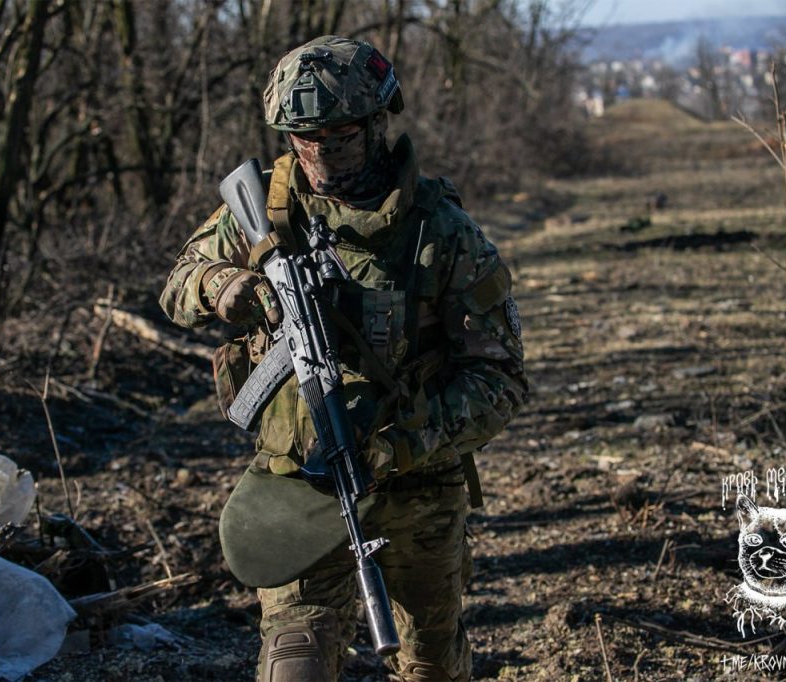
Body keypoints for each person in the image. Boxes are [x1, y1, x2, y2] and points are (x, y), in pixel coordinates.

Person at [160, 35, 527, 682]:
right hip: (298, 485)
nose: (320, 154)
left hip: (416, 491)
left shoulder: (441, 234)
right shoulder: (263, 214)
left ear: (379, 122)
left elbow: (499, 380)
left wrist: (402, 445)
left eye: (339, 135)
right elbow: (179, 282)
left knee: (431, 667)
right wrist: (223, 287)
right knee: (293, 665)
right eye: (303, 138)